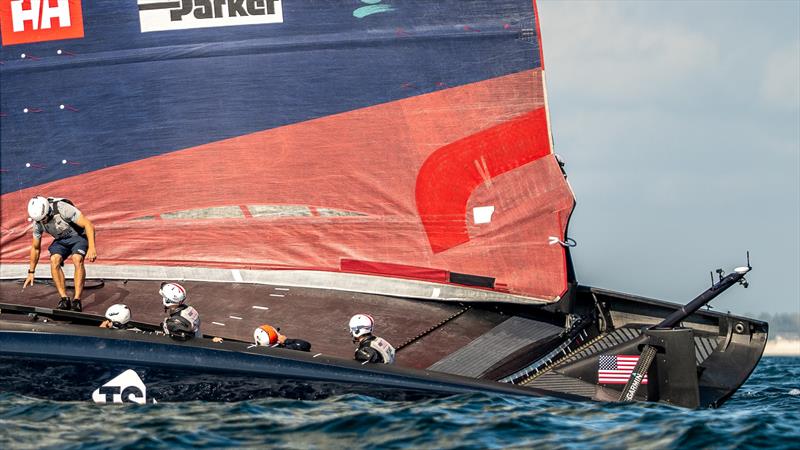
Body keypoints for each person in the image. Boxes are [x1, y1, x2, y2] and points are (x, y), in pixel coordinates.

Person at [23, 196, 97, 312]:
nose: (43, 222)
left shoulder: (62, 208)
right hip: (61, 240)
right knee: (54, 260)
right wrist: (31, 272)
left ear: (48, 211)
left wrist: (92, 247)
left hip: (78, 236)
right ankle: (64, 299)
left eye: (44, 219)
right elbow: (35, 248)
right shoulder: (37, 222)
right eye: (40, 220)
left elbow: (88, 225)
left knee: (77, 259)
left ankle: (77, 300)